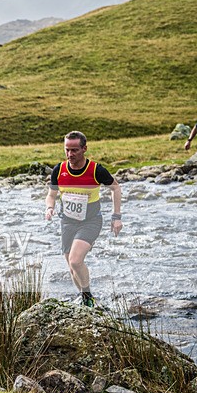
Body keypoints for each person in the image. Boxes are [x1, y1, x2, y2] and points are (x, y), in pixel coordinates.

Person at [44, 131, 122, 307]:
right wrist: (49, 207)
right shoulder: (59, 170)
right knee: (72, 268)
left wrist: (116, 216)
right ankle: (86, 300)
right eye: (67, 150)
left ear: (84, 149)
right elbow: (51, 195)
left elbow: (115, 188)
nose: (70, 154)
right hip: (67, 222)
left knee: (75, 260)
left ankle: (87, 296)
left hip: (90, 221)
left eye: (74, 150)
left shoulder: (96, 170)